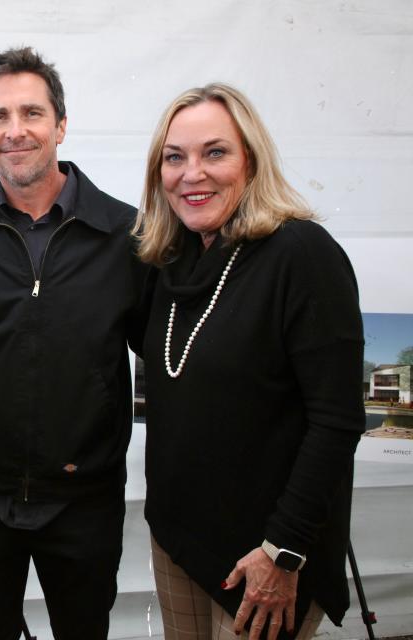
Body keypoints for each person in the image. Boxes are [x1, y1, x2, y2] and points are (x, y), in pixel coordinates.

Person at [0, 46, 151, 639]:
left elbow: (169, 356)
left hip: (86, 498)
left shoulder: (126, 234)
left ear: (60, 125)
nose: (15, 132)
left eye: (32, 114)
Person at [132, 83, 364, 640]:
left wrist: (283, 552)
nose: (193, 173)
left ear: (251, 160)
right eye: (175, 157)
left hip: (262, 554)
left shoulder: (302, 255)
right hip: (178, 537)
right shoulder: (170, 262)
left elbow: (336, 422)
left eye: (215, 152)